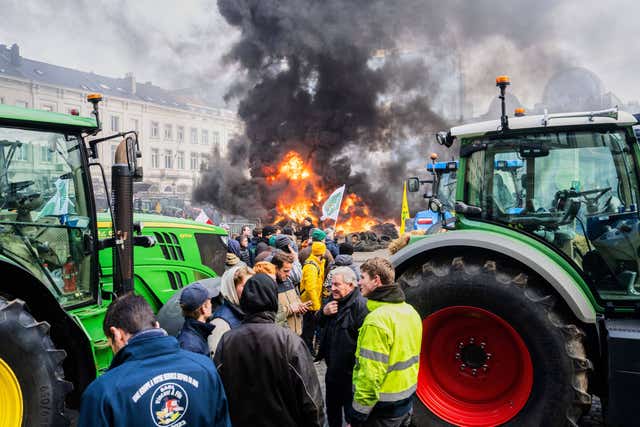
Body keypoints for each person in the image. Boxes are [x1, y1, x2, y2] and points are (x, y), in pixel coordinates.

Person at [79, 293, 231, 427]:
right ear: (156, 325)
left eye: (110, 343)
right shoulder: (205, 369)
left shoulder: (102, 393)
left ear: (117, 335)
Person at [214, 274, 325, 427]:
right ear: (273, 300)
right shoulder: (289, 341)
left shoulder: (227, 341)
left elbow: (218, 392)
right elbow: (311, 400)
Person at [346, 258, 422, 427]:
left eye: (363, 277)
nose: (359, 282)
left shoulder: (376, 320)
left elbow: (370, 376)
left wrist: (357, 415)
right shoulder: (410, 311)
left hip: (381, 411)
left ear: (376, 280)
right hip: (405, 403)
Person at [317, 267, 368, 427]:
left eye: (337, 284)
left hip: (350, 376)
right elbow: (318, 322)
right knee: (332, 413)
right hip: (332, 372)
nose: (332, 288)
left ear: (351, 285)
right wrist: (323, 313)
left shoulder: (361, 307)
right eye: (332, 284)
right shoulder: (332, 301)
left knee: (350, 417)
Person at [208, 265, 253, 356]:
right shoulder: (220, 323)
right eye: (245, 286)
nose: (251, 289)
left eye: (252, 285)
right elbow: (217, 361)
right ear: (232, 288)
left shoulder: (247, 310)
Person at [272, 250, 310, 335]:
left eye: (290, 270)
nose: (289, 274)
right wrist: (290, 309)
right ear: (275, 268)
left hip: (296, 335)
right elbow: (270, 316)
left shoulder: (288, 280)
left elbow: (296, 300)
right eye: (285, 271)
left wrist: (301, 306)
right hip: (282, 337)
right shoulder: (269, 286)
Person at [300, 241, 326, 354]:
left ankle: (308, 348)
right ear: (322, 252)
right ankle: (307, 349)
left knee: (310, 327)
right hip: (309, 303)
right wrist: (316, 306)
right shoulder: (311, 266)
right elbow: (310, 288)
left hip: (313, 300)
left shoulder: (317, 263)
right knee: (308, 329)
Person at [177, 282, 215, 356]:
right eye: (210, 302)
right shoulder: (191, 346)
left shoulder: (194, 333)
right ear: (203, 308)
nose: (211, 304)